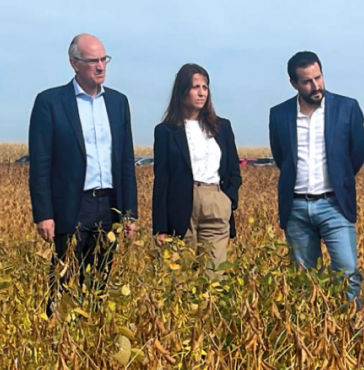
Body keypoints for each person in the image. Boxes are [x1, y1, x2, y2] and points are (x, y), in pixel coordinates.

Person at [28, 34, 137, 316]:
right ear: (75, 63)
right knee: (62, 282)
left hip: (109, 205)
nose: (101, 66)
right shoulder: (50, 102)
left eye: (104, 59)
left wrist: (129, 213)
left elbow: (126, 161)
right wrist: (44, 214)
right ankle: (57, 340)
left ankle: (93, 336)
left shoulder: (118, 103)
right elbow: (40, 163)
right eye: (93, 61)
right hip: (72, 206)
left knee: (99, 282)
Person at [269, 51, 364, 302]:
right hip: (296, 208)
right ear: (294, 84)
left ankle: (350, 333)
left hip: (335, 204)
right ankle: (312, 334)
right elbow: (282, 157)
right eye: (307, 81)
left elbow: (357, 153)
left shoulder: (347, 108)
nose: (315, 86)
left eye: (318, 77)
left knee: (347, 273)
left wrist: (340, 179)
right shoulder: (279, 114)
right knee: (305, 279)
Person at [152, 64, 242, 279]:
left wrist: (228, 199)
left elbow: (233, 170)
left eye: (205, 87)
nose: (202, 92)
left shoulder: (222, 127)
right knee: (181, 278)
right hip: (180, 205)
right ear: (182, 92)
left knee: (215, 276)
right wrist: (160, 226)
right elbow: (161, 179)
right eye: (195, 87)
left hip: (215, 199)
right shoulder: (165, 131)